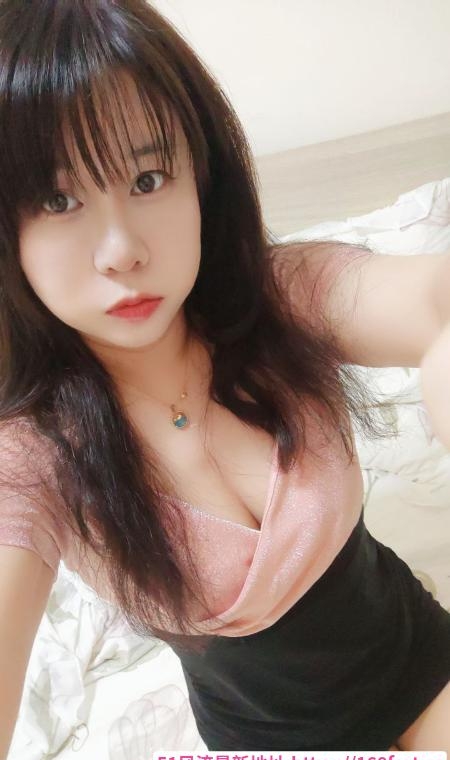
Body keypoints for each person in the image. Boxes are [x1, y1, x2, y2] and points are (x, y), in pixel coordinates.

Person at [0, 0, 448, 755]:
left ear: (201, 179)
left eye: (148, 178)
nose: (121, 250)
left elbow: (435, 303)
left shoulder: (282, 298)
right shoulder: (35, 455)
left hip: (422, 664)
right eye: (59, 199)